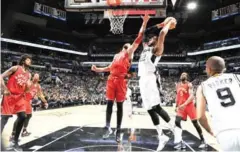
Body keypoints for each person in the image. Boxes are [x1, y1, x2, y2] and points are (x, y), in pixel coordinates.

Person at [91, 14, 150, 142]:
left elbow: (139, 38)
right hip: (111, 80)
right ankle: (107, 127)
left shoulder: (129, 54)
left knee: (119, 107)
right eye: (127, 45)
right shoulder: (116, 55)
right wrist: (98, 69)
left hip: (121, 81)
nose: (128, 46)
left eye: (130, 46)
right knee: (109, 105)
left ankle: (118, 131)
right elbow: (109, 67)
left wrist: (144, 22)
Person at [138, 17, 177, 151]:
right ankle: (162, 135)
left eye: (153, 38)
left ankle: (175, 129)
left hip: (150, 78)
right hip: (142, 79)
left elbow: (161, 34)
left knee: (156, 107)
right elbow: (144, 33)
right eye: (151, 38)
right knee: (149, 109)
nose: (151, 39)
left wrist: (168, 24)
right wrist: (147, 22)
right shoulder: (145, 48)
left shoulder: (157, 49)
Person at [196, 56, 240, 151]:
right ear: (223, 68)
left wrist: (211, 131)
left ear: (208, 69)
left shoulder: (202, 87)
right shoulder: (237, 78)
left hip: (225, 134)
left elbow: (200, 117)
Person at [1, 54, 32, 151]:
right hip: (9, 96)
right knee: (5, 119)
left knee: (23, 116)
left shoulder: (29, 74)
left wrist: (28, 87)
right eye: (28, 60)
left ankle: (15, 141)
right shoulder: (15, 68)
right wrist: (4, 88)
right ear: (23, 61)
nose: (30, 62)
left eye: (30, 60)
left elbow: (26, 89)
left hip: (19, 97)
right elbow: (1, 76)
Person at [10, 73, 48, 141]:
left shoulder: (38, 86)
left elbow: (40, 95)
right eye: (35, 76)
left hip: (28, 102)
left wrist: (45, 101)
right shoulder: (29, 83)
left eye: (37, 76)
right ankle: (13, 135)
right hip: (22, 100)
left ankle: (24, 131)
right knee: (20, 117)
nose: (36, 77)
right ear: (33, 77)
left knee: (29, 116)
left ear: (38, 79)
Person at [174, 72, 206, 149]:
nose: (183, 75)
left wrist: (184, 104)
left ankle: (203, 140)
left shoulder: (189, 84)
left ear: (187, 77)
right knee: (177, 121)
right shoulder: (177, 85)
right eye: (182, 75)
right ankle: (180, 142)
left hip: (189, 106)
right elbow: (177, 96)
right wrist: (176, 105)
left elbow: (191, 96)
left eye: (184, 75)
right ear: (180, 77)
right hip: (181, 107)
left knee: (195, 123)